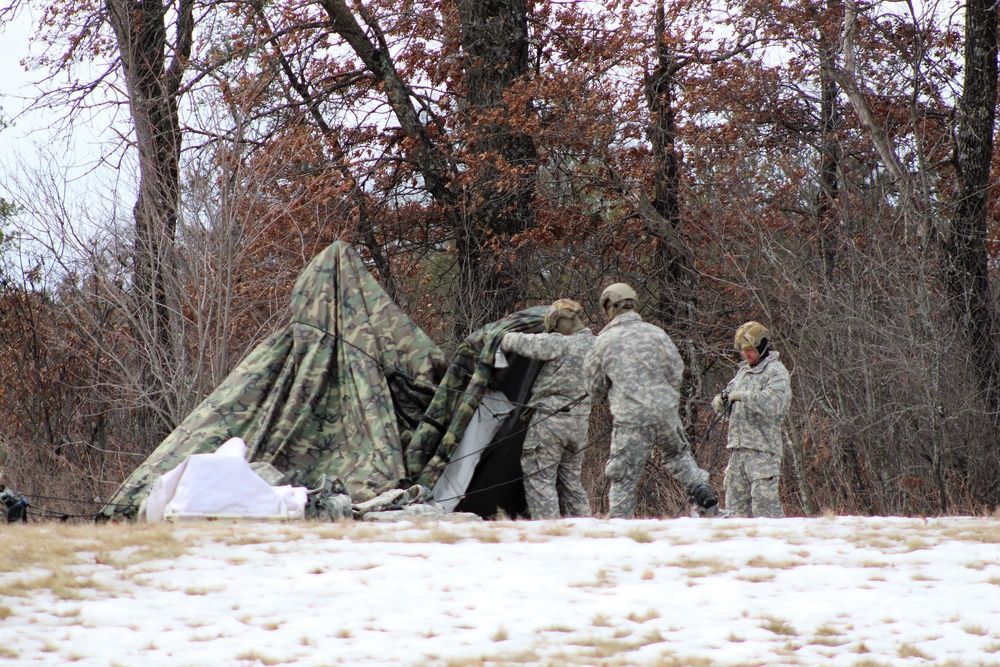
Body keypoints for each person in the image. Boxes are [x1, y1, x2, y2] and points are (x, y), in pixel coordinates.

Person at [583, 283, 717, 519]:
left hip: (632, 418)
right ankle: (702, 492)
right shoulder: (657, 333)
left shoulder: (603, 341)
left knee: (623, 475)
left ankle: (620, 526)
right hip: (666, 412)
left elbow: (595, 390)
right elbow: (676, 371)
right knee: (677, 455)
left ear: (609, 307)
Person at [499, 299, 595, 519]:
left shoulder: (560, 343)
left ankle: (549, 534)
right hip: (580, 425)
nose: (552, 331)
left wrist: (499, 335)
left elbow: (521, 342)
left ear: (565, 320)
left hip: (550, 424)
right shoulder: (599, 345)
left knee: (541, 481)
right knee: (572, 484)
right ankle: (588, 531)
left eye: (554, 325)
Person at [712, 321, 791, 518]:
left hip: (762, 453)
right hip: (738, 453)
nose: (746, 354)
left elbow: (774, 404)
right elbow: (728, 402)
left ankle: (775, 546)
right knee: (735, 514)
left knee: (765, 511)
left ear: (761, 346)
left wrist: (743, 396)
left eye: (750, 349)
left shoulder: (776, 371)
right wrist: (720, 403)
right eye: (743, 350)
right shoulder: (742, 373)